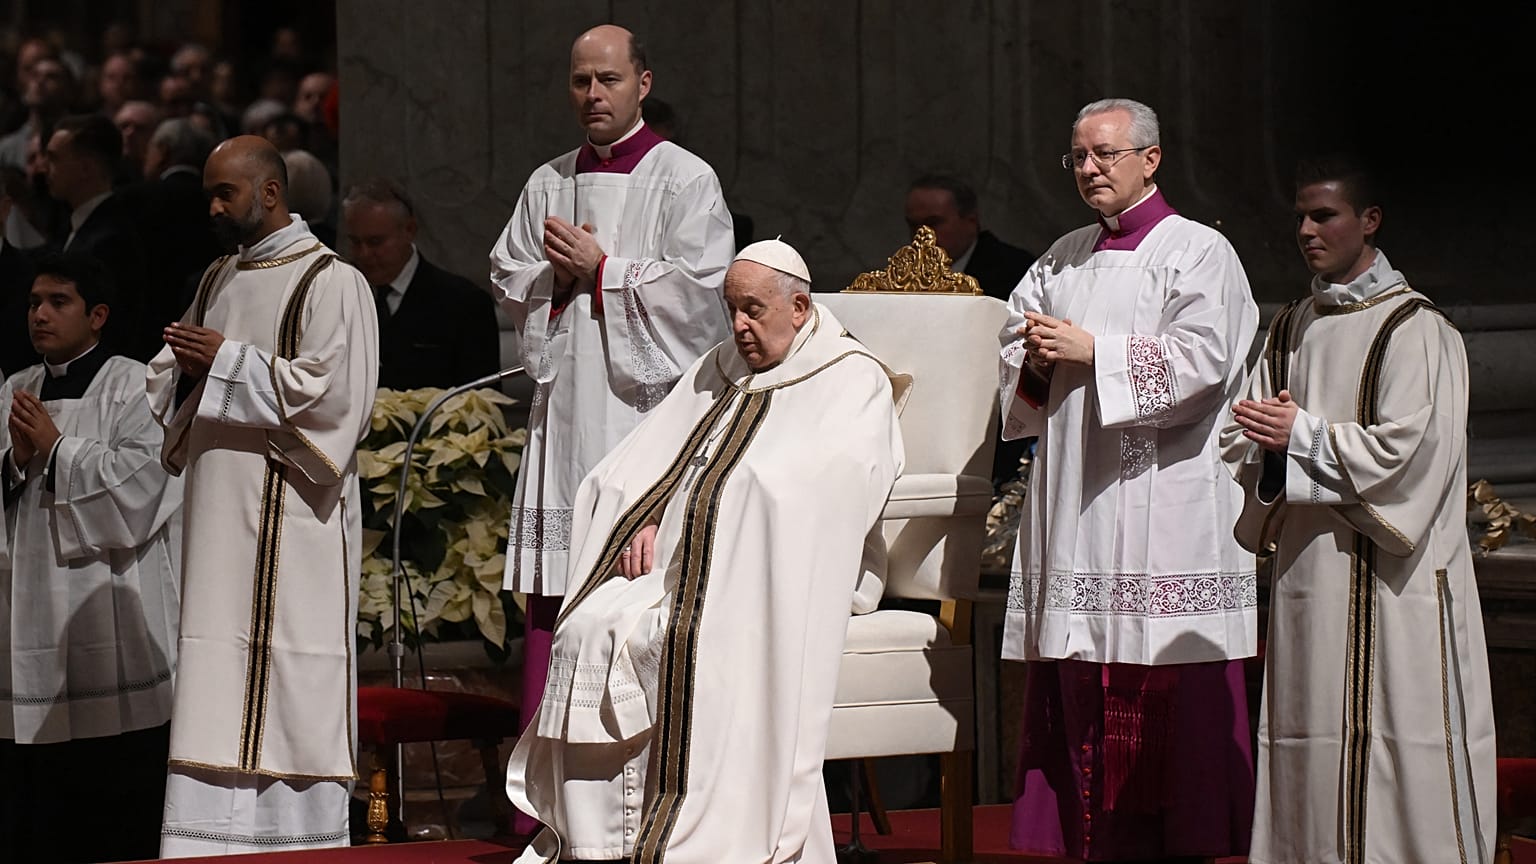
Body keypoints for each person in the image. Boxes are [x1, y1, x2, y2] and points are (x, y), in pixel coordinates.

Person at [506, 239, 905, 863]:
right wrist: (647, 515)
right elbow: (646, 463)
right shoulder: (723, 366)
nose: (739, 326)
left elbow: (835, 483)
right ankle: (602, 843)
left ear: (799, 307)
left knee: (685, 640)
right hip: (682, 563)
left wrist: (711, 520)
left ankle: (695, 839)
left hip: (774, 574)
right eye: (730, 309)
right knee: (590, 626)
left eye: (754, 310)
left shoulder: (852, 377)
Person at [998, 98, 1259, 862]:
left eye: (1104, 154)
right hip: (1077, 498)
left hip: (1159, 503)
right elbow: (1014, 346)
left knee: (1157, 684)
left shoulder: (1201, 252)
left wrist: (1092, 350)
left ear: (1151, 159)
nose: (1088, 169)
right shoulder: (1062, 254)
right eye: (1077, 156)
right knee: (1081, 670)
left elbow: (1206, 364)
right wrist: (1037, 360)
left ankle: (1168, 840)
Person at [487, 23, 734, 805]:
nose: (592, 95)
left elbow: (707, 303)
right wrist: (553, 282)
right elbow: (506, 273)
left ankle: (639, 800)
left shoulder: (684, 179)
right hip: (563, 427)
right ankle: (551, 808)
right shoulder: (547, 182)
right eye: (579, 82)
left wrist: (609, 273)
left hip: (643, 425)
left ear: (643, 83)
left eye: (608, 80)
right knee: (558, 599)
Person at [1223, 156, 1496, 864]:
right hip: (1310, 578)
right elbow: (1241, 435)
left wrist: (1302, 436)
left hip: (1392, 585)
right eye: (1300, 219)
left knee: (1405, 747)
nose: (1307, 231)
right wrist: (1271, 447)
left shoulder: (1418, 330)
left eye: (1325, 216)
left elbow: (1414, 453)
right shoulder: (1288, 329)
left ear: (1369, 221)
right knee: (1307, 741)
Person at [145, 135, 378, 856]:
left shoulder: (333, 282)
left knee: (289, 685)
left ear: (271, 193)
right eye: (209, 194)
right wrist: (185, 370)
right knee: (217, 675)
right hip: (220, 519)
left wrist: (227, 362)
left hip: (294, 519)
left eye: (227, 193)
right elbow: (166, 377)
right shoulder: (217, 278)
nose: (213, 207)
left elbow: (338, 398)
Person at [0, 251, 182, 863]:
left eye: (58, 302)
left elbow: (143, 486)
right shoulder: (15, 387)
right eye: (33, 303)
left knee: (112, 786)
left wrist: (57, 451)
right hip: (29, 595)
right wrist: (17, 463)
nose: (41, 315)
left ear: (98, 314)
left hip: (108, 592)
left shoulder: (134, 385)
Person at [906, 173, 1037, 488]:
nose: (922, 236)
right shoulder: (903, 274)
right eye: (913, 226)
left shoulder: (1015, 270)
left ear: (971, 220)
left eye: (934, 222)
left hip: (989, 419)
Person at [344, 178, 499, 390]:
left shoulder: (464, 304)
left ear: (409, 230)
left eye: (375, 242)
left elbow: (483, 405)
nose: (363, 254)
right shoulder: (342, 297)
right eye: (355, 242)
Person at [43, 114, 149, 358]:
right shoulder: (73, 226)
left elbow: (113, 328)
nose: (43, 167)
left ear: (86, 167)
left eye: (54, 158)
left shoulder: (111, 239)